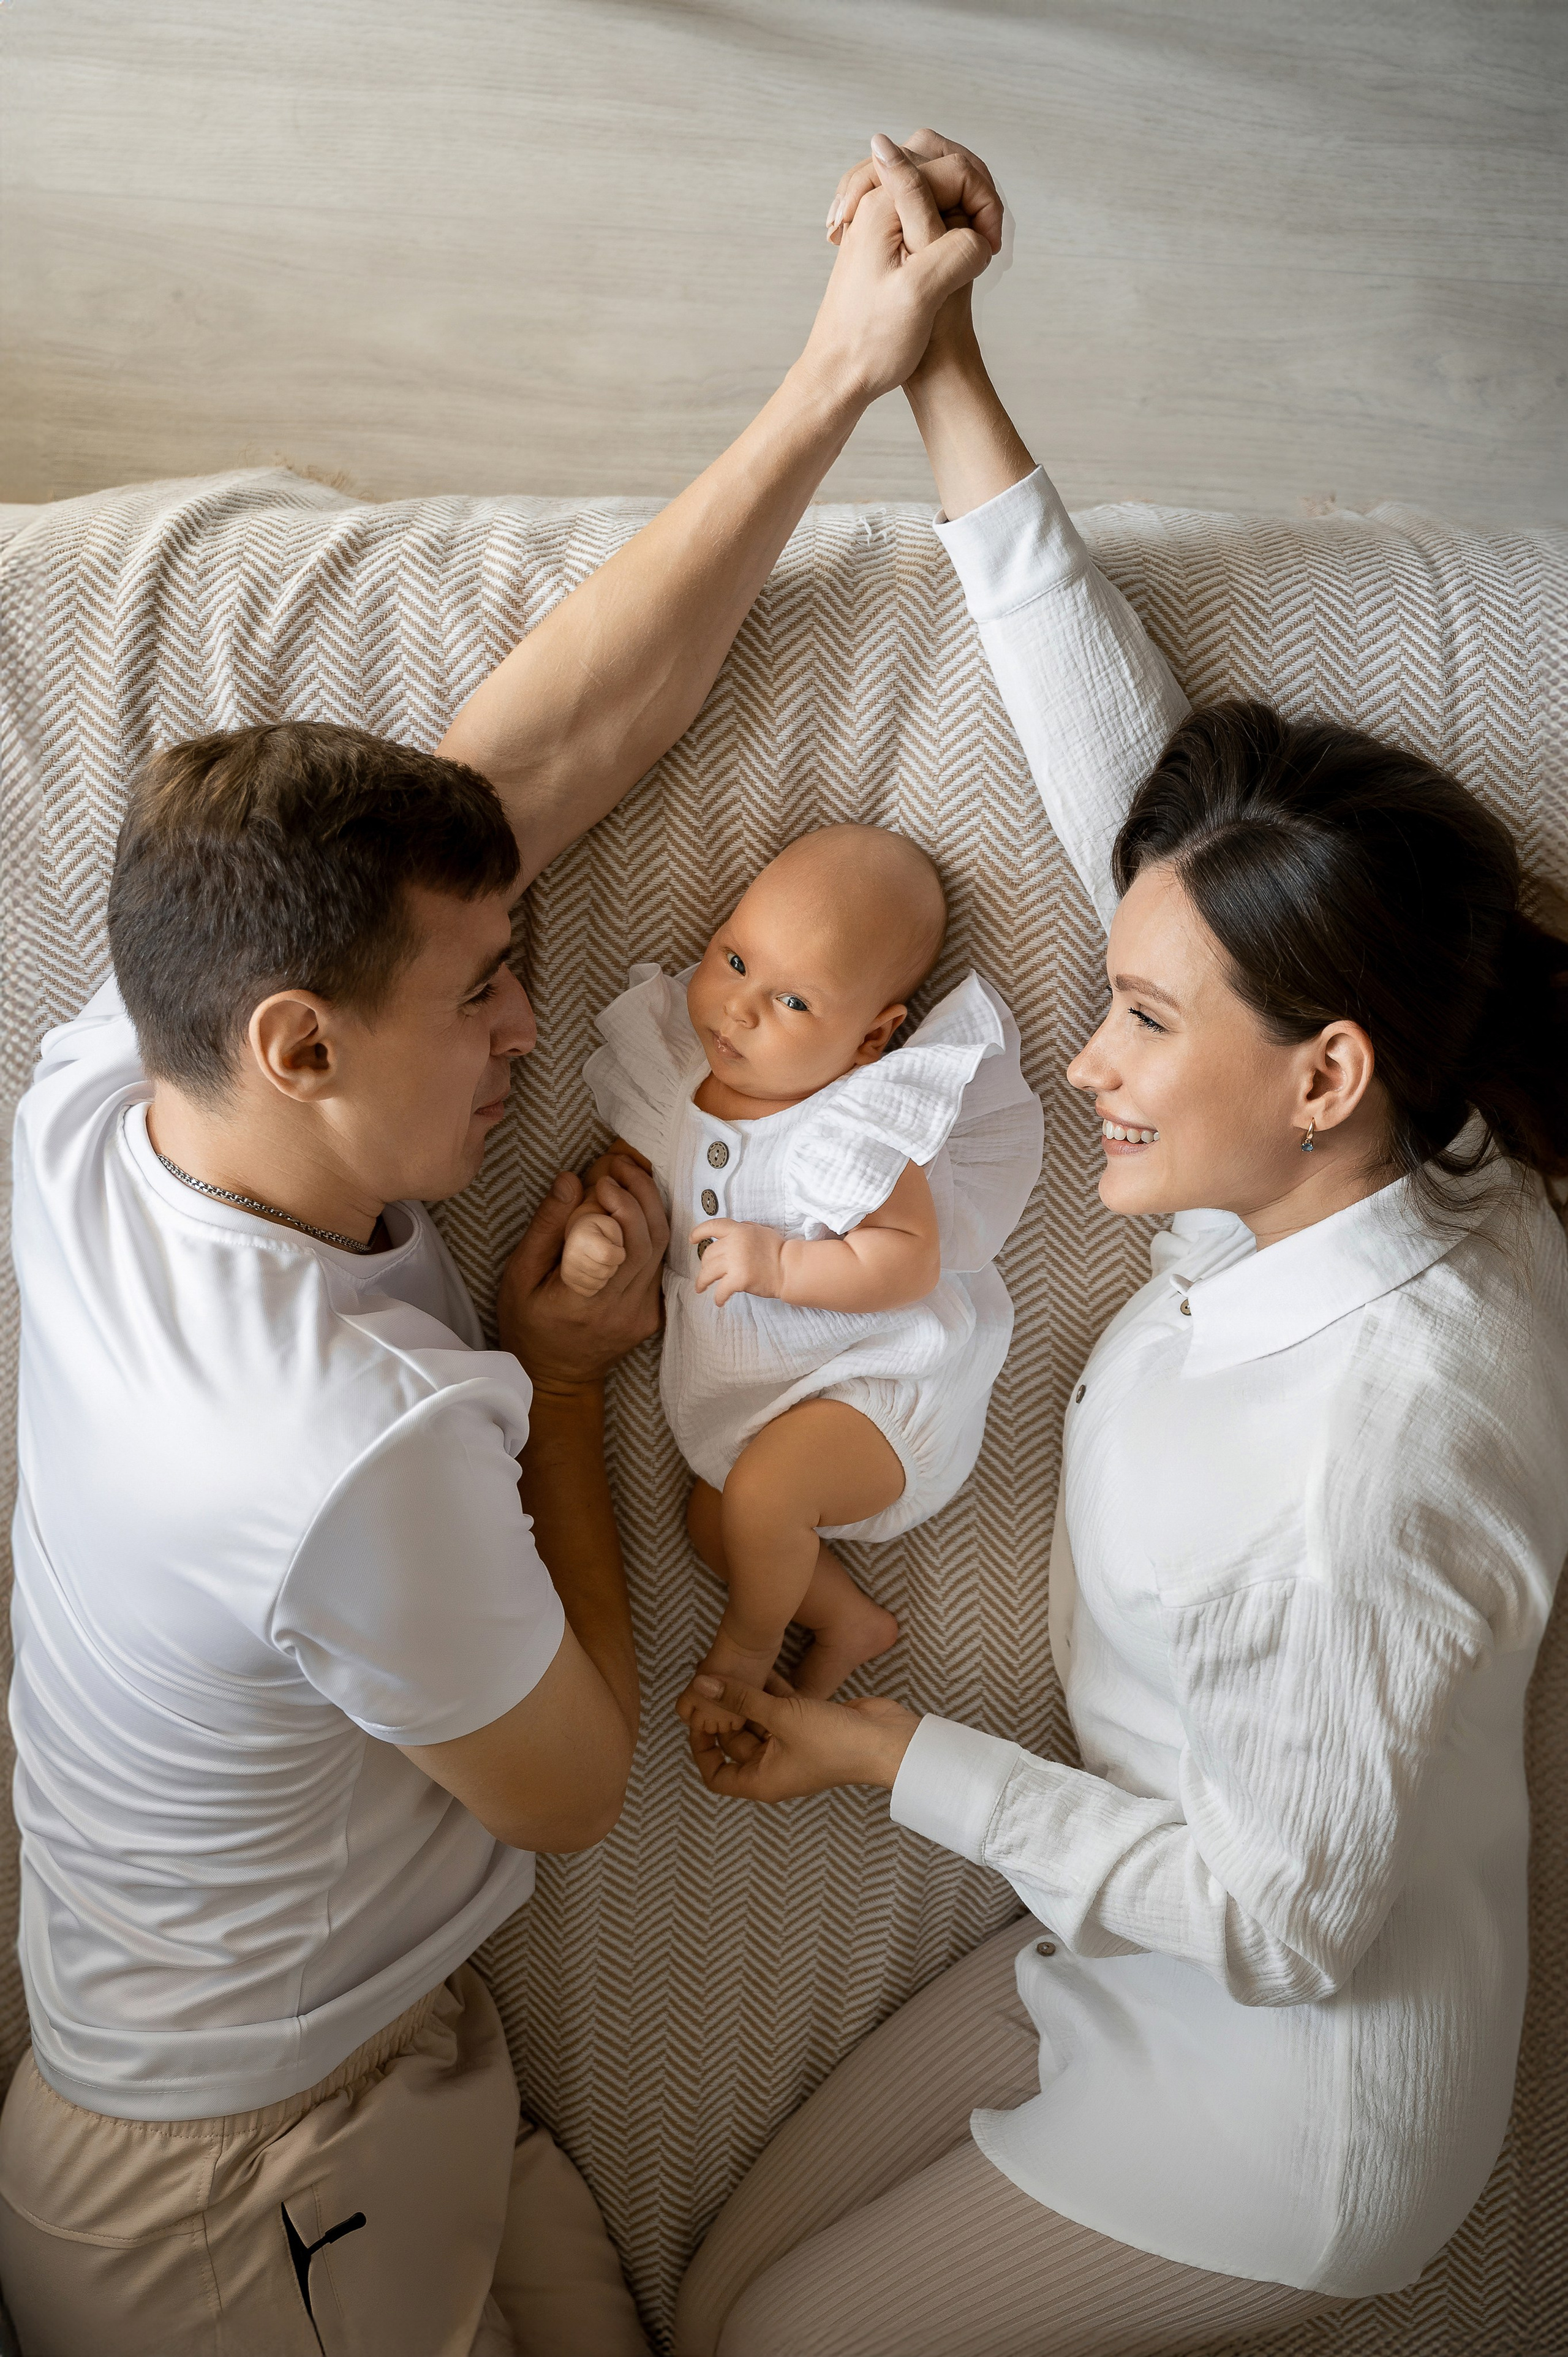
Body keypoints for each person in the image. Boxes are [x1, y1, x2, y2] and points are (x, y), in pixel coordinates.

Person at [0, 160, 999, 2357]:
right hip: (236, 2198)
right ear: (299, 1042)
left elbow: (550, 743)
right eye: (481, 998)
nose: (536, 1027)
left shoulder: (107, 1080)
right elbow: (568, 1786)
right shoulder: (329, 1445)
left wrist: (840, 367)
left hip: (358, 2077)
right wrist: (558, 1375)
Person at [673, 132, 1568, 2357]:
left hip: (1284, 2081)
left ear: (1323, 1070)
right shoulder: (1412, 1132)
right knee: (716, 2301)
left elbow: (1293, 1921)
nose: (1081, 1057)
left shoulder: (1382, 1448)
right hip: (1118, 1923)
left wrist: (879, 1758)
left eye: (1143, 1023)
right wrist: (938, 361)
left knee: (771, 2345)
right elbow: (1139, 790)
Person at [559, 824, 1041, 1717]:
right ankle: (846, 1620)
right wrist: (599, 1233)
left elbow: (910, 1260)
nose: (739, 1009)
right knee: (717, 1521)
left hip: (875, 1397)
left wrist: (782, 1263)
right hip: (747, 1419)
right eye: (734, 960)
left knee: (761, 1497)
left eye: (792, 1002)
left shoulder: (855, 1125)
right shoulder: (677, 1089)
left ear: (870, 1039)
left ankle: (746, 1652)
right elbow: (628, 1184)